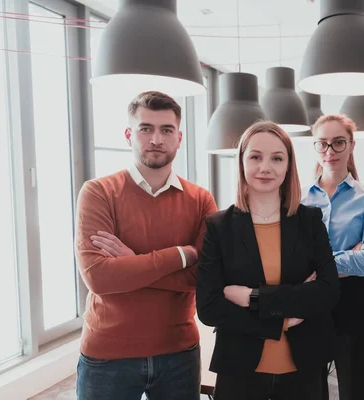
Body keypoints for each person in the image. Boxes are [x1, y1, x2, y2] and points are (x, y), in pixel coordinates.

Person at [74, 91, 217, 400]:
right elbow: (100, 277)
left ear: (178, 138)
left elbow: (205, 277)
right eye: (145, 128)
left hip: (179, 352)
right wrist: (184, 253)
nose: (156, 138)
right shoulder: (98, 193)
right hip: (108, 354)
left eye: (166, 130)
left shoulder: (201, 200)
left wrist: (132, 263)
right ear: (129, 134)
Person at [196, 121, 340, 400]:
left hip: (304, 367)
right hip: (239, 370)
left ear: (288, 166)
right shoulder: (218, 226)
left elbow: (327, 293)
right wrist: (282, 320)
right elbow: (210, 307)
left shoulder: (309, 221)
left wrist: (252, 297)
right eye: (255, 157)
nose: (266, 167)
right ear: (241, 163)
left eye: (277, 158)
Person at [301, 114, 364, 400]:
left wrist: (319, 264)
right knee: (310, 391)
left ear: (351, 145)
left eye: (338, 143)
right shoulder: (298, 199)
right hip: (308, 303)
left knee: (356, 391)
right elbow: (294, 261)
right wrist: (350, 253)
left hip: (351, 303)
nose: (330, 151)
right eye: (322, 144)